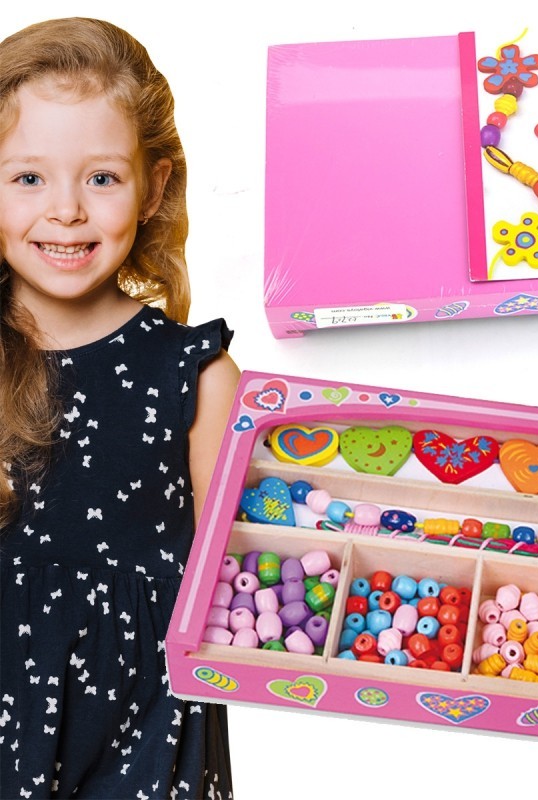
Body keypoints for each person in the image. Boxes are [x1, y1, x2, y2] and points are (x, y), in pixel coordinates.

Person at [0, 17, 240, 798]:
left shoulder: (198, 376)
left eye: (101, 178)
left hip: (141, 745)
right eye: (27, 178)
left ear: (154, 187)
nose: (66, 210)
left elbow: (243, 578)